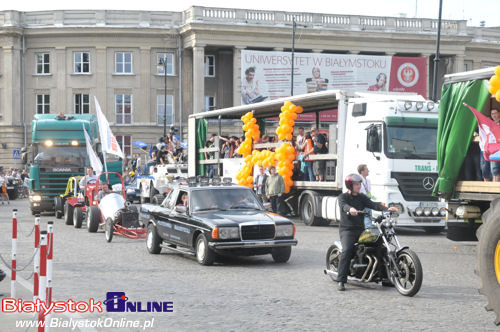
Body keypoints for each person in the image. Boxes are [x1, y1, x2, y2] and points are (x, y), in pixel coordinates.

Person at [336, 173, 398, 291]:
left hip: (361, 230)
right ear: (350, 185)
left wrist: (387, 209)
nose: (359, 186)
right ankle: (341, 280)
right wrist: (351, 209)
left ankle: (384, 278)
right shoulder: (343, 197)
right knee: (347, 250)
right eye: (356, 184)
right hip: (347, 230)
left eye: (359, 184)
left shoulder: (362, 197)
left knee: (380, 246)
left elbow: (373, 204)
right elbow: (344, 206)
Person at [357, 164, 374, 229]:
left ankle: (368, 230)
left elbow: (368, 192)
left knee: (368, 218)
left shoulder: (368, 180)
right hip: (361, 201)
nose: (368, 170)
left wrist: (372, 198)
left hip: (367, 201)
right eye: (366, 169)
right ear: (362, 171)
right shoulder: (358, 180)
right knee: (364, 218)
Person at [490, 109, 500, 182]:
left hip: (498, 149)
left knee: (496, 170)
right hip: (493, 150)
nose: (493, 115)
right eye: (492, 113)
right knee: (494, 171)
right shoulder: (491, 124)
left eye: (495, 113)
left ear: (499, 113)